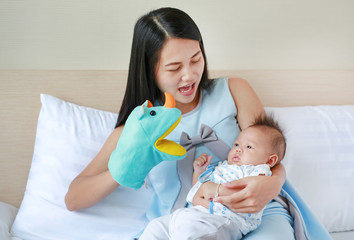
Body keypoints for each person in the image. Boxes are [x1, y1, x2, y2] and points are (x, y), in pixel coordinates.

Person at [64, 7, 332, 240]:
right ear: (150, 69)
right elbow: (74, 198)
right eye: (174, 68)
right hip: (184, 223)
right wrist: (129, 164)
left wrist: (272, 184)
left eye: (196, 59)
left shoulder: (234, 90)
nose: (189, 75)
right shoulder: (139, 128)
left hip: (254, 214)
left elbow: (270, 153)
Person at [139, 115, 286, 240]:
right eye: (236, 144)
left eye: (249, 147)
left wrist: (215, 189)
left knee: (190, 232)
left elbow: (245, 194)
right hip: (191, 214)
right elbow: (198, 189)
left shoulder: (258, 172)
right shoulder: (223, 167)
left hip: (220, 220)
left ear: (270, 160)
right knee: (155, 227)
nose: (238, 149)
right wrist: (198, 172)